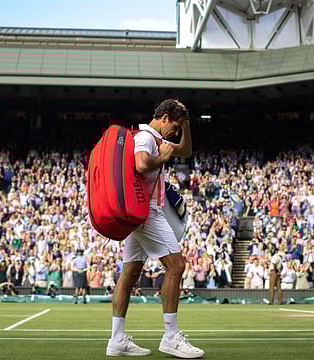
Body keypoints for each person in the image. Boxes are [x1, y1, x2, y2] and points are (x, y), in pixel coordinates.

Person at [106, 99, 204, 358]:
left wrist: (186, 126)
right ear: (164, 118)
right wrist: (161, 158)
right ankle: (171, 337)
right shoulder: (146, 138)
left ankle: (117, 339)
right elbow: (141, 164)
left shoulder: (151, 136)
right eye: (174, 125)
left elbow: (185, 151)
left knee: (130, 272)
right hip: (147, 211)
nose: (174, 132)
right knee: (176, 266)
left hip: (138, 212)